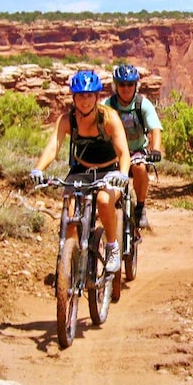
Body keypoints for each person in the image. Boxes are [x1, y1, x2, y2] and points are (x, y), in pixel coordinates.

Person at [30, 69, 131, 273]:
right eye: (80, 96)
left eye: (89, 95)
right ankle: (72, 260)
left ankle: (112, 246)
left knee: (104, 201)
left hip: (109, 171)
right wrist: (38, 170)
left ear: (96, 97)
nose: (85, 101)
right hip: (81, 169)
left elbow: (124, 153)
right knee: (70, 216)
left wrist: (122, 174)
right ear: (73, 97)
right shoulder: (68, 120)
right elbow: (53, 147)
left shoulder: (109, 118)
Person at [103, 63, 163, 229]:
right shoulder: (108, 105)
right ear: (116, 86)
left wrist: (156, 149)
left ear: (136, 85)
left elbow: (155, 129)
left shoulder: (142, 104)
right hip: (114, 152)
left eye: (130, 84)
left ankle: (141, 207)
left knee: (139, 168)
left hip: (137, 151)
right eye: (122, 84)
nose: (126, 88)